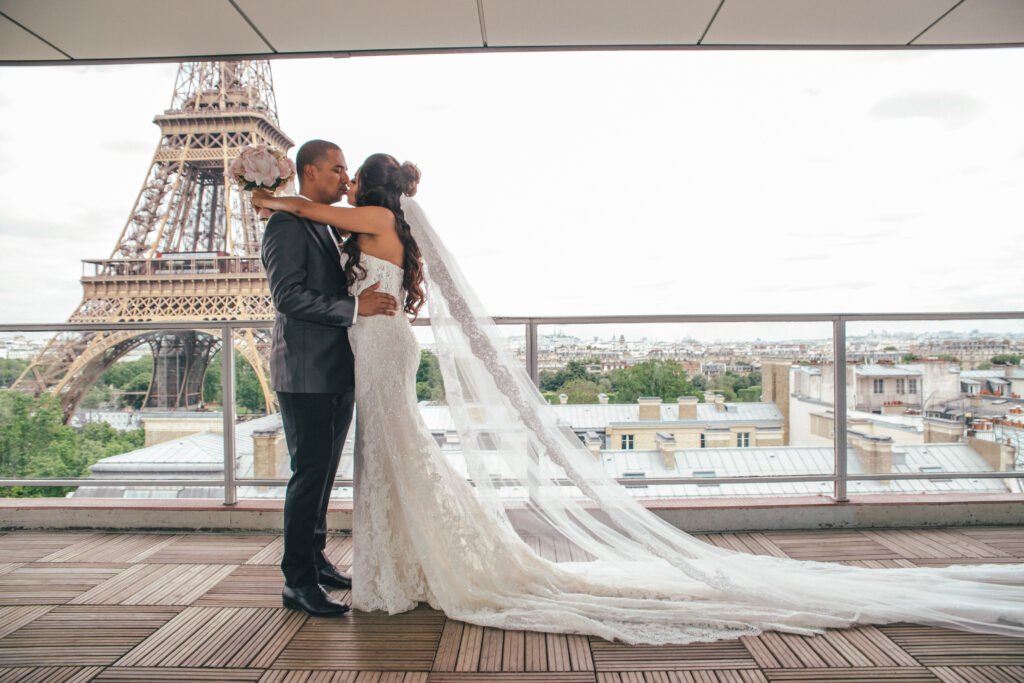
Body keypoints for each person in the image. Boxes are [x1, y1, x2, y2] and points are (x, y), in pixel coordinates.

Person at [254, 154, 1024, 644]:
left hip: (377, 351)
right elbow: (315, 263)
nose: (345, 180)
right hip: (370, 352)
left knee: (388, 456)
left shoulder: (368, 216)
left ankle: (378, 564)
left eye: (353, 174)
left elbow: (318, 216)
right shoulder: (377, 221)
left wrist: (271, 195)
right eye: (338, 172)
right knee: (387, 458)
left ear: (372, 188)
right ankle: (377, 561)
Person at [260, 140, 399, 618]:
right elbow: (288, 297)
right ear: (311, 171)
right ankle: (296, 582)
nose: (345, 178)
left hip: (336, 370)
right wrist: (354, 307)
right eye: (338, 169)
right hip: (305, 373)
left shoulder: (321, 224)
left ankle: (315, 561)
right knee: (309, 476)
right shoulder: (286, 223)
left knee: (321, 477)